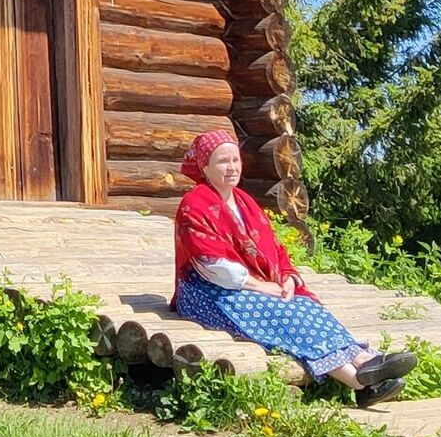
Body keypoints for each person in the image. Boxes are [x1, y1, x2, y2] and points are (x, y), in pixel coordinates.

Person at [171, 128, 415, 403]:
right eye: (222, 161)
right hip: (205, 292)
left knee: (305, 306)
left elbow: (274, 249)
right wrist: (262, 287)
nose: (231, 168)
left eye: (235, 160)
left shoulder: (244, 202)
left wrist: (287, 278)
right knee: (282, 314)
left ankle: (364, 362)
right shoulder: (194, 205)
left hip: (248, 284)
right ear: (204, 166)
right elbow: (212, 264)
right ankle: (360, 380)